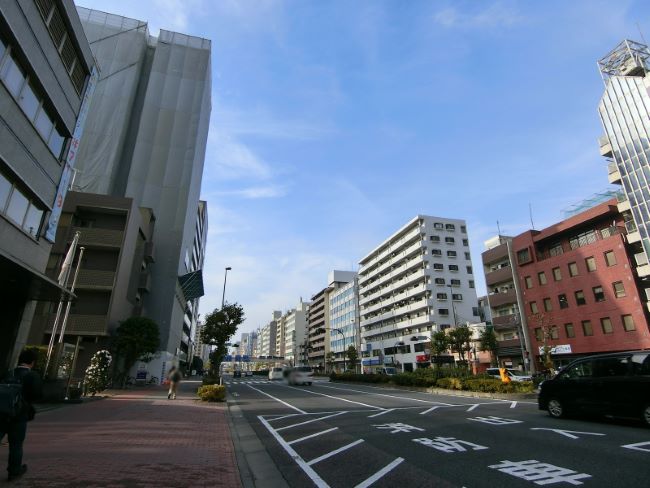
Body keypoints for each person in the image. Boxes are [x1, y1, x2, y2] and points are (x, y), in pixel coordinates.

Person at [0, 350, 43, 482]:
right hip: (19, 415)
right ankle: (14, 471)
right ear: (32, 362)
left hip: (1, 412)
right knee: (16, 444)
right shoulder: (32, 376)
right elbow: (37, 396)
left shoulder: (8, 372)